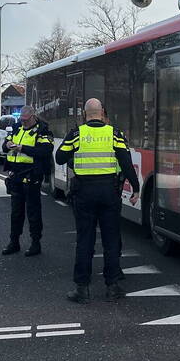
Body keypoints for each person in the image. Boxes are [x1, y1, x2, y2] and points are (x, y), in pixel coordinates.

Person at [56, 98, 140, 303]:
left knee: (85, 240)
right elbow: (126, 163)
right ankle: (112, 287)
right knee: (111, 240)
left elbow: (59, 157)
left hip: (84, 192)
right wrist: (136, 189)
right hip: (109, 192)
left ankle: (82, 289)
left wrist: (76, 159)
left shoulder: (77, 134)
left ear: (85, 114)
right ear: (102, 112)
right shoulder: (114, 134)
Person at [2, 106, 53, 257]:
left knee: (33, 212)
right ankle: (14, 242)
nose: (23, 123)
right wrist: (8, 145)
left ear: (33, 117)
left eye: (25, 120)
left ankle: (35, 243)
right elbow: (6, 143)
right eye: (21, 120)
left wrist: (22, 148)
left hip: (32, 175)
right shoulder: (17, 128)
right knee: (16, 212)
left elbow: (45, 151)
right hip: (16, 175)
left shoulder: (43, 131)